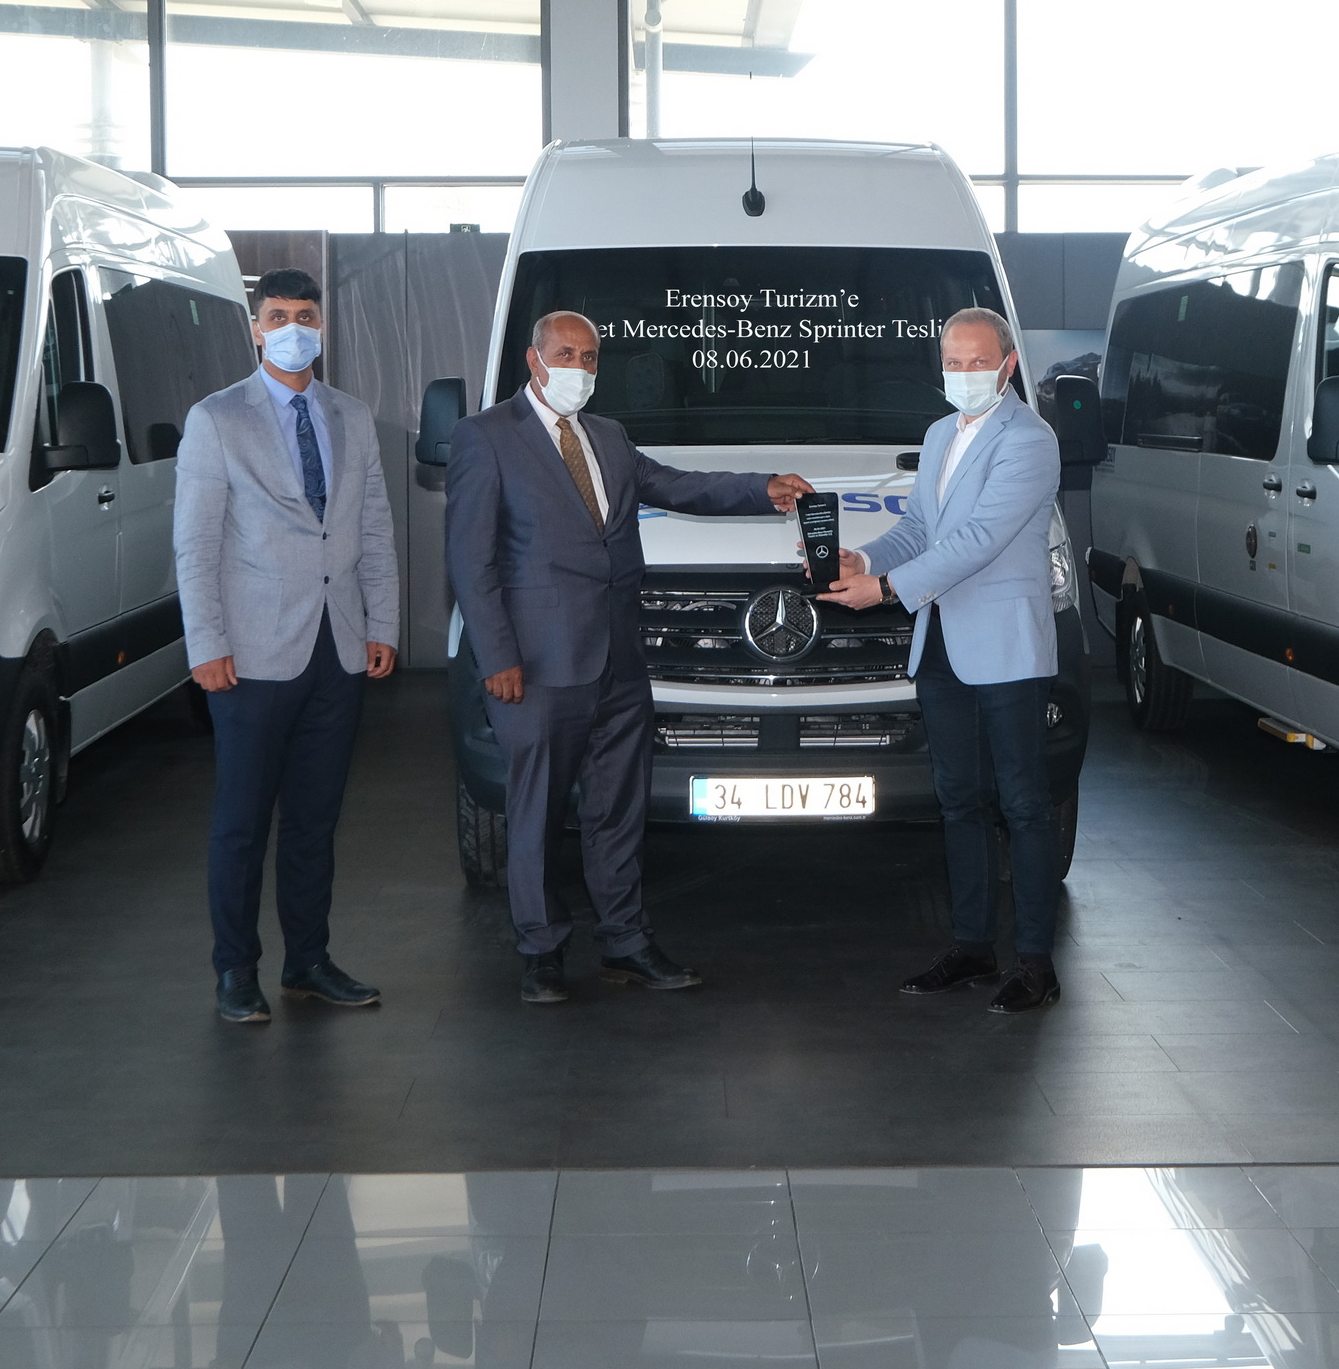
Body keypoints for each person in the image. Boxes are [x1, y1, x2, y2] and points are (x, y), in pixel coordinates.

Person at [446, 310, 812, 1004]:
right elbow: (470, 559)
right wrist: (496, 656)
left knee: (618, 808)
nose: (578, 368)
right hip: (537, 665)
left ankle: (625, 941)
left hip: (618, 661)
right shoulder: (485, 436)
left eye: (589, 357)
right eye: (565, 354)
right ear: (534, 359)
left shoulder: (608, 436)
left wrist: (760, 487)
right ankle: (541, 950)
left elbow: (677, 486)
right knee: (536, 811)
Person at [821, 308, 1066, 1013]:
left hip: (1007, 648)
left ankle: (1035, 963)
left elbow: (981, 538)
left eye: (977, 362)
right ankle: (972, 946)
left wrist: (887, 589)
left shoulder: (1030, 440)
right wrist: (863, 558)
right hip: (941, 644)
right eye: (952, 363)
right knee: (959, 800)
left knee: (1023, 805)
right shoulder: (938, 435)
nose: (963, 374)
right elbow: (921, 528)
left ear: (1007, 365)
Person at [174, 266, 399, 1026]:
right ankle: (236, 970)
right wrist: (206, 643)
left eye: (306, 315)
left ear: (322, 327)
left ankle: (308, 961)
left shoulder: (351, 416)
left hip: (338, 648)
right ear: (256, 328)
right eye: (278, 315)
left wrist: (382, 623)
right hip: (250, 655)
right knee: (242, 824)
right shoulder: (216, 419)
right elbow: (196, 543)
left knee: (314, 822)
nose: (293, 327)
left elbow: (373, 527)